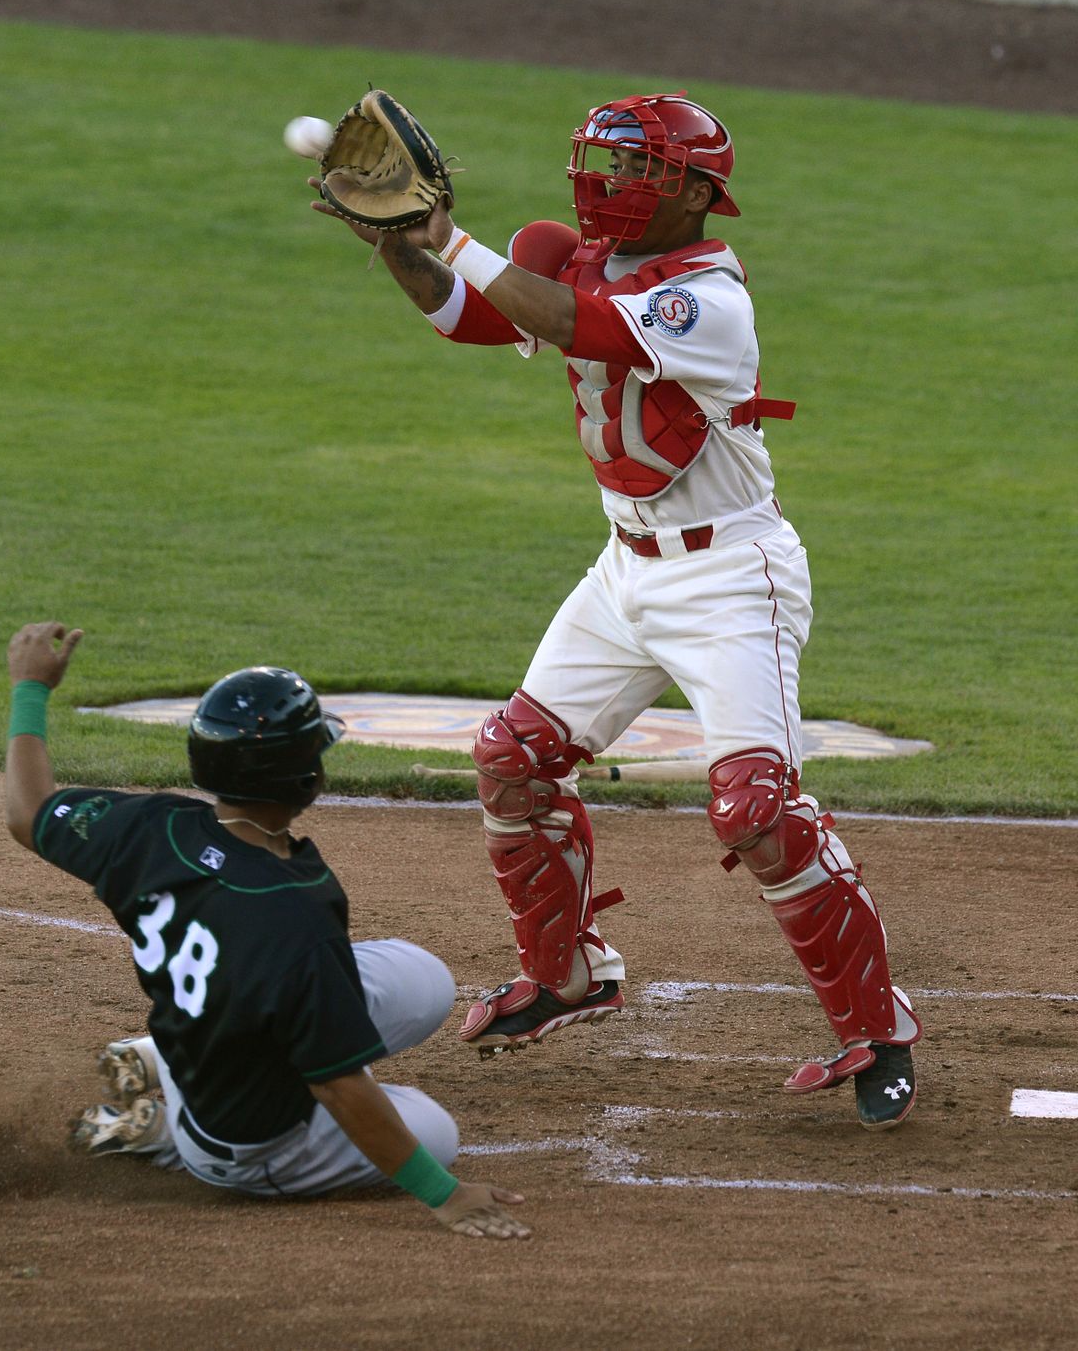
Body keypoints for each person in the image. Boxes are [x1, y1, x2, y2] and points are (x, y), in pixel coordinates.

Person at [312, 92, 922, 1130]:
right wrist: (396, 246)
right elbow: (469, 317)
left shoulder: (708, 296)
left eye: (630, 165)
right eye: (599, 157)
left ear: (692, 190)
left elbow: (576, 323)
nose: (601, 181)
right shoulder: (567, 250)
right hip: (624, 571)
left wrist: (446, 234)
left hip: (732, 579)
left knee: (757, 811)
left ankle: (879, 1028)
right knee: (512, 756)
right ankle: (569, 973)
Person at [3, 621, 530, 1237]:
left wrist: (30, 689)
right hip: (249, 1146)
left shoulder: (149, 826)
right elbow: (337, 1087)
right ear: (305, 778)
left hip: (204, 1041)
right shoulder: (294, 910)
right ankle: (168, 1133)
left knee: (427, 980)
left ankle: (158, 1064)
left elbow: (27, 812)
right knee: (436, 1133)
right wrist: (444, 1194)